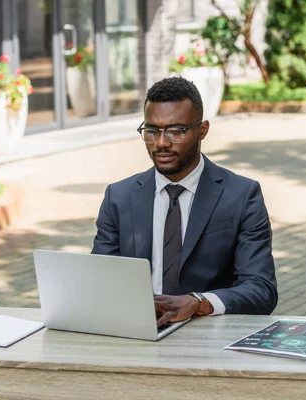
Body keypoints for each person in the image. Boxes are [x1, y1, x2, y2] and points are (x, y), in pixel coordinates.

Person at [92, 76, 277, 326]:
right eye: (151, 131)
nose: (161, 143)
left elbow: (261, 289)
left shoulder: (242, 195)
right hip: (136, 330)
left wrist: (199, 302)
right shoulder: (119, 197)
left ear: (202, 130)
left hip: (208, 334)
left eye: (176, 131)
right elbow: (100, 280)